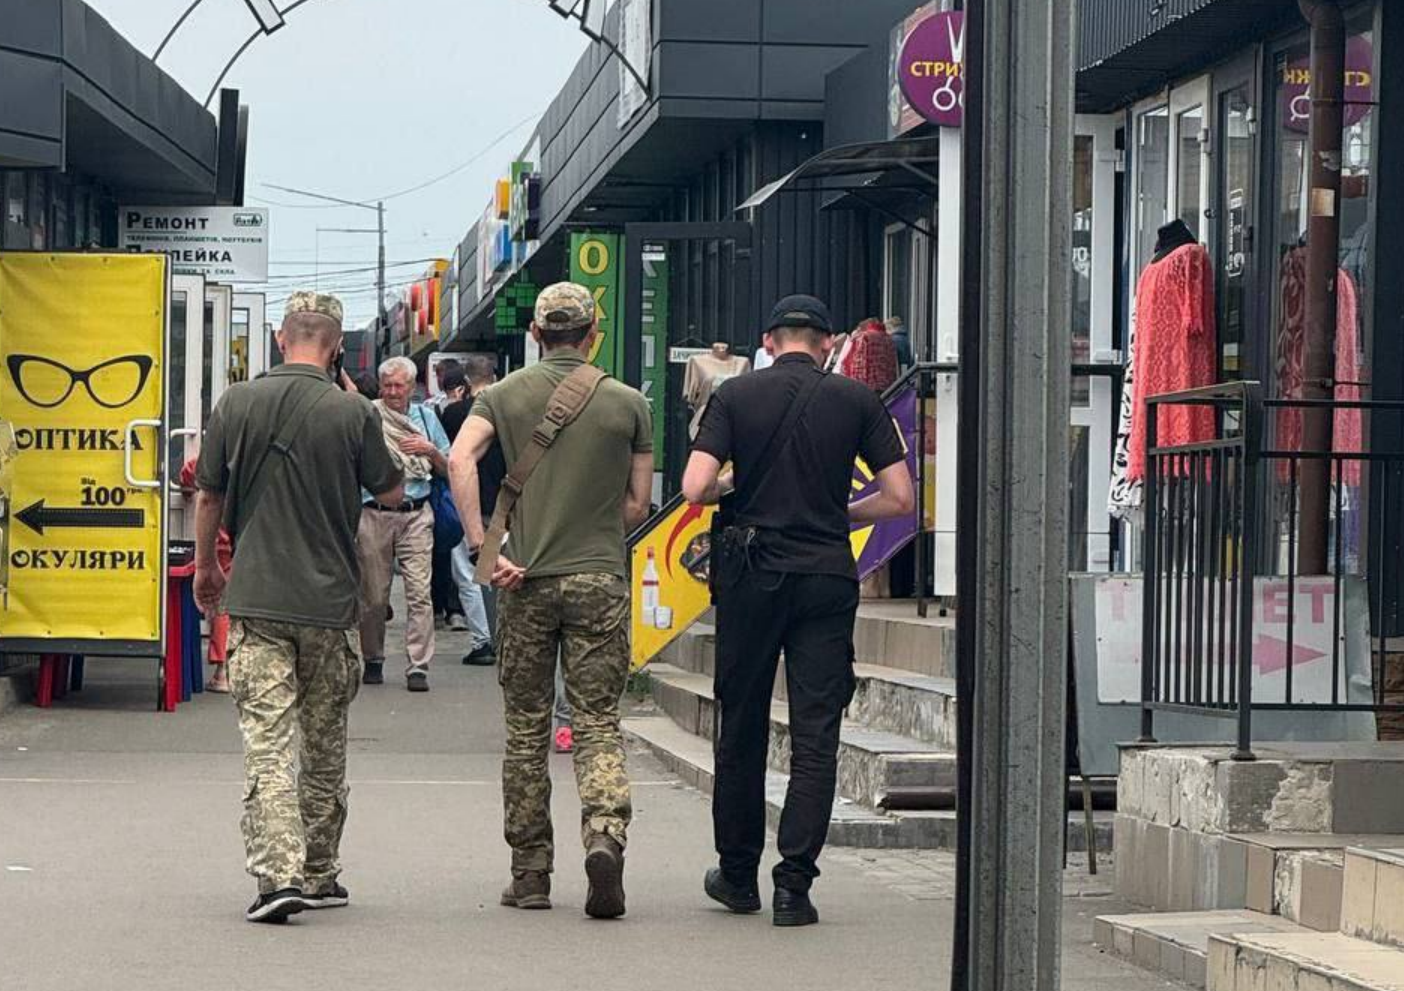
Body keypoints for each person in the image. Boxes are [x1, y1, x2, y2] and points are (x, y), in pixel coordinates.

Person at [682, 294, 914, 928]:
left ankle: (737, 875)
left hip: (752, 576)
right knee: (816, 732)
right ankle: (794, 886)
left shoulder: (735, 395)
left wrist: (733, 484)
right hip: (825, 576)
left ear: (768, 340)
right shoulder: (857, 400)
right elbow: (899, 498)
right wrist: (841, 515)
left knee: (743, 723)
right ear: (828, 342)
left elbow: (695, 487)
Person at [193, 291, 403, 924]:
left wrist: (207, 568)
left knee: (268, 741)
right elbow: (393, 491)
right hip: (331, 606)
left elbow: (209, 496)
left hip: (258, 599)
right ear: (336, 347)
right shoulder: (353, 411)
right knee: (324, 743)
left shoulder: (236, 402)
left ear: (281, 340)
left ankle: (277, 875)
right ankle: (318, 871)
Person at [449, 282, 653, 919]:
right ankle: (605, 835)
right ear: (593, 334)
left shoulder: (501, 396)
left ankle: (530, 873)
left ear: (536, 334)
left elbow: (459, 460)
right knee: (596, 721)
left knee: (526, 728)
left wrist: (484, 543)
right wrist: (591, 531)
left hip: (524, 580)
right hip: (599, 578)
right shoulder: (629, 403)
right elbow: (637, 505)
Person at [356, 356, 452, 693]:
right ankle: (373, 658)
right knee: (373, 596)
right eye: (388, 385)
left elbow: (448, 466)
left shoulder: (426, 418)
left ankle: (418, 666)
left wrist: (429, 450)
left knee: (419, 593)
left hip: (416, 513)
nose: (394, 392)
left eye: (400, 385)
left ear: (412, 387)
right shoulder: (368, 416)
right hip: (374, 512)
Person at [438, 356, 500, 666]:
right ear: (495, 377)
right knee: (501, 573)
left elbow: (451, 456)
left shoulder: (453, 414)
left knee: (469, 574)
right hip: (504, 504)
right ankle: (504, 635)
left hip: (467, 504)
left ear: (465, 381)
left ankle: (482, 641)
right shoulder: (506, 410)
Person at [433, 365, 471, 633]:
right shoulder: (480, 410)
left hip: (446, 492)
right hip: (478, 491)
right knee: (469, 556)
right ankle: (460, 611)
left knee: (443, 553)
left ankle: (442, 607)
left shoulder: (437, 411)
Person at [841, 317, 899, 393]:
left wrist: (855, 389)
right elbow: (893, 365)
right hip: (887, 387)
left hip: (868, 388)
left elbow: (859, 366)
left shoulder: (864, 337)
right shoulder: (889, 338)